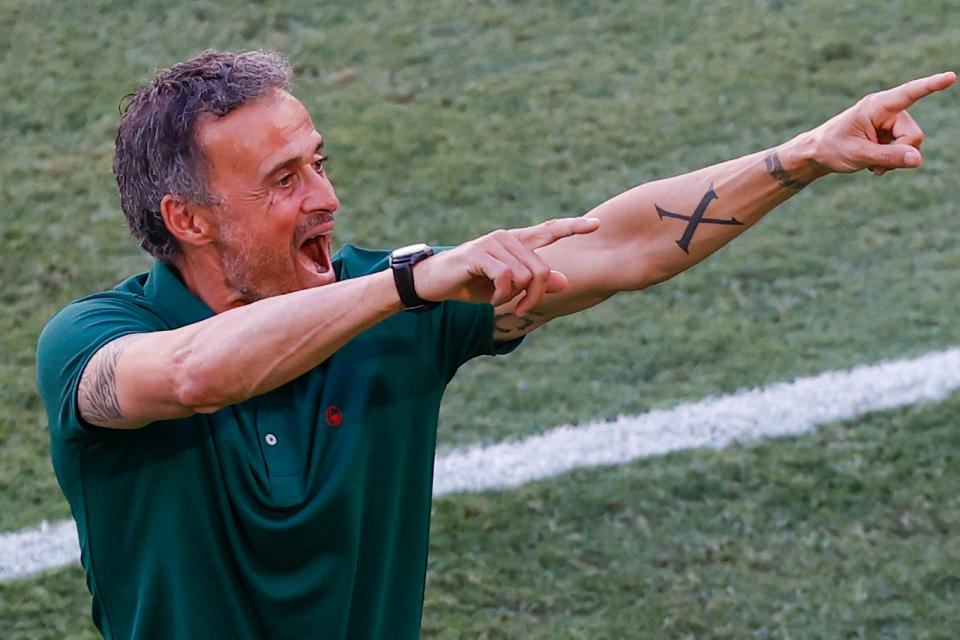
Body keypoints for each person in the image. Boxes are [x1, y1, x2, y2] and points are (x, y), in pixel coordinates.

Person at [35, 48, 954, 639]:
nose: (325, 197)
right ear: (187, 219)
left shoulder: (394, 309)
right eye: (284, 179)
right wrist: (406, 283)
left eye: (319, 160)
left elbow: (618, 244)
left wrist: (806, 154)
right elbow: (195, 374)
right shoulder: (94, 341)